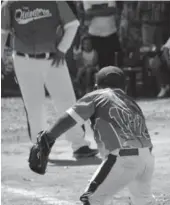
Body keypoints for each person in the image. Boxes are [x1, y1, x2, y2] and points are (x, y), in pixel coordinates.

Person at [34, 66, 170, 205]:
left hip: (123, 156)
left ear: (97, 85)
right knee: (143, 196)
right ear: (123, 86)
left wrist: (49, 136)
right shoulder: (130, 102)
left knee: (91, 198)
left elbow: (70, 118)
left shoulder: (97, 95)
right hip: (147, 156)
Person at [1, 0, 98, 159]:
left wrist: (62, 49)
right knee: (34, 105)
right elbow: (2, 31)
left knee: (67, 101)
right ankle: (40, 148)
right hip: (23, 60)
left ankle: (79, 145)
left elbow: (72, 24)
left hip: (54, 58)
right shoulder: (10, 3)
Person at [82, 1, 121, 68]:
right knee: (98, 64)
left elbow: (112, 10)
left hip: (110, 32)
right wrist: (105, 10)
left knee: (111, 63)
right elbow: (88, 12)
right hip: (94, 34)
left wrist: (94, 11)